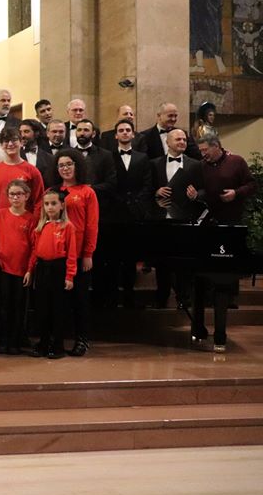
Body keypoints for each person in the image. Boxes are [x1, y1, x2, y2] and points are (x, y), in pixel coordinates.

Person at [191, 134, 257, 352]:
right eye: (200, 151)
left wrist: (235, 193)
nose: (203, 154)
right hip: (208, 226)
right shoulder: (202, 166)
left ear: (217, 146)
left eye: (205, 150)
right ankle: (199, 324)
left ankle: (225, 310)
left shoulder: (236, 161)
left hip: (231, 225)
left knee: (226, 271)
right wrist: (196, 195)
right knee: (205, 271)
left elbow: (252, 185)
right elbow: (204, 190)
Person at [151, 129, 206, 311]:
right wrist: (156, 191)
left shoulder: (195, 164)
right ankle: (162, 297)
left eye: (184, 139)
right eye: (178, 139)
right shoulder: (154, 164)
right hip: (162, 218)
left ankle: (184, 298)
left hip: (185, 219)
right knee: (162, 261)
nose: (182, 142)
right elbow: (147, 188)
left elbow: (204, 189)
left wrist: (196, 195)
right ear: (168, 142)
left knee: (184, 261)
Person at [54, 150, 99, 357]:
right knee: (59, 300)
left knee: (80, 299)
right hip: (57, 253)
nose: (65, 168)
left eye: (69, 164)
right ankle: (57, 340)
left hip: (80, 253)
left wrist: (88, 253)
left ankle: (82, 339)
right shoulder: (53, 191)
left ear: (77, 165)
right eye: (61, 165)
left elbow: (92, 225)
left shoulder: (87, 192)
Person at [26, 189, 77, 359]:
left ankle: (58, 345)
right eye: (46, 204)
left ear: (62, 205)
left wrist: (69, 276)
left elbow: (71, 254)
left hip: (58, 269)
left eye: (54, 203)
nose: (50, 207)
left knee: (58, 308)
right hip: (42, 269)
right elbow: (35, 251)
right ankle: (43, 343)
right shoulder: (40, 227)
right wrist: (30, 270)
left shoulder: (67, 227)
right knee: (42, 308)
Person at [0, 179, 35, 354]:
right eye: (12, 194)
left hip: (22, 271)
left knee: (19, 307)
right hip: (4, 269)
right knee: (4, 306)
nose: (15, 197)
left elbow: (34, 247)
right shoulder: (0, 215)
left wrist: (30, 269)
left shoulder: (31, 218)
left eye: (19, 194)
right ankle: (4, 341)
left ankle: (16, 342)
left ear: (26, 196)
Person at [109, 118, 152, 309]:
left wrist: (136, 202)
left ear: (133, 134)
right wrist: (118, 200)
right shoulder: (108, 156)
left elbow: (147, 184)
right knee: (112, 257)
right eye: (121, 130)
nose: (125, 132)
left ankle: (129, 296)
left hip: (135, 213)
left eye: (128, 130)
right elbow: (109, 182)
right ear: (116, 135)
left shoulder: (142, 158)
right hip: (114, 213)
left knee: (131, 257)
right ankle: (111, 298)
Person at [0, 128, 45, 216]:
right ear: (1, 145)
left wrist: (35, 221)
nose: (10, 144)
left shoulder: (32, 171)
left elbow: (39, 201)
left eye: (14, 140)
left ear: (21, 142)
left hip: (25, 222)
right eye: (6, 141)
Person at [19, 119, 55, 185]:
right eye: (20, 132)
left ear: (36, 133)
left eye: (26, 131)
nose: (22, 135)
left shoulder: (50, 158)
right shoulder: (15, 156)